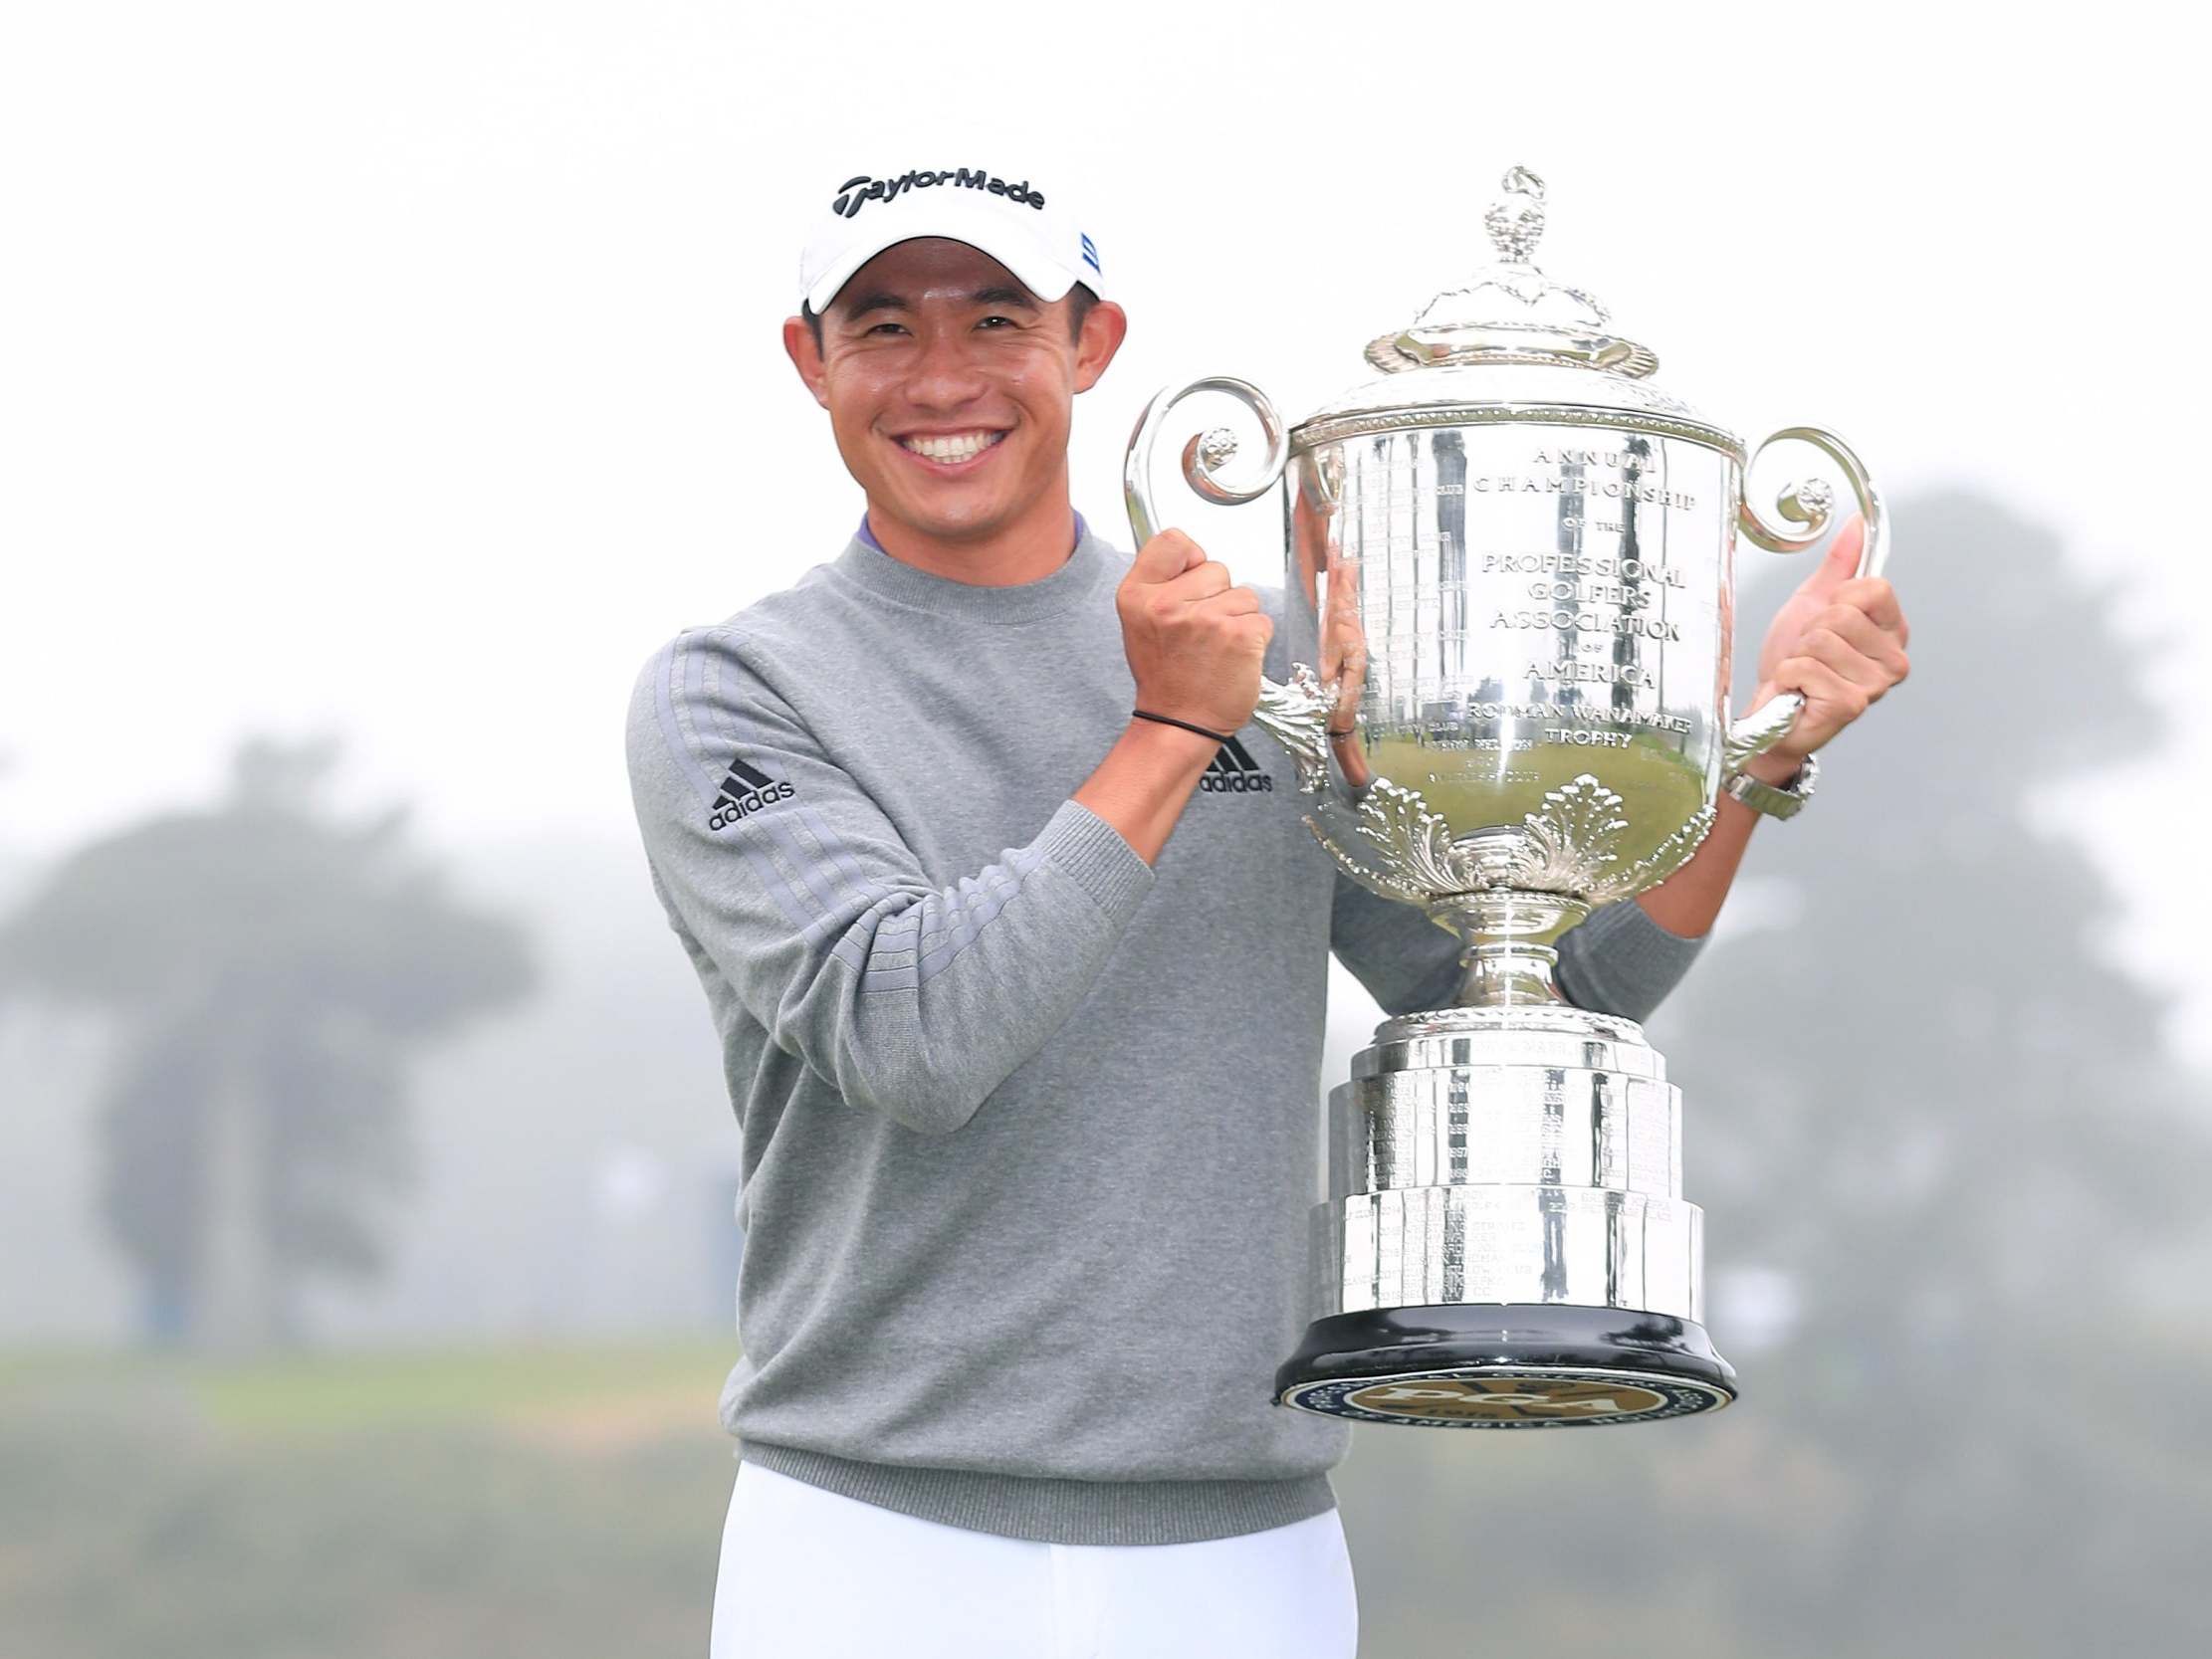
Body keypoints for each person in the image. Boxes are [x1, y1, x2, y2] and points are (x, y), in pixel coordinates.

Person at [623, 162, 1910, 1658]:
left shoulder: (1269, 665)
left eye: (995, 318)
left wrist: (1755, 759)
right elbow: (916, 1035)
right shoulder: (735, 691)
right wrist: (1170, 733)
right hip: (868, 1545)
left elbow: (1538, 1005)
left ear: (1089, 345)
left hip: (1242, 1552)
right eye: (883, 327)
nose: (942, 378)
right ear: (811, 361)